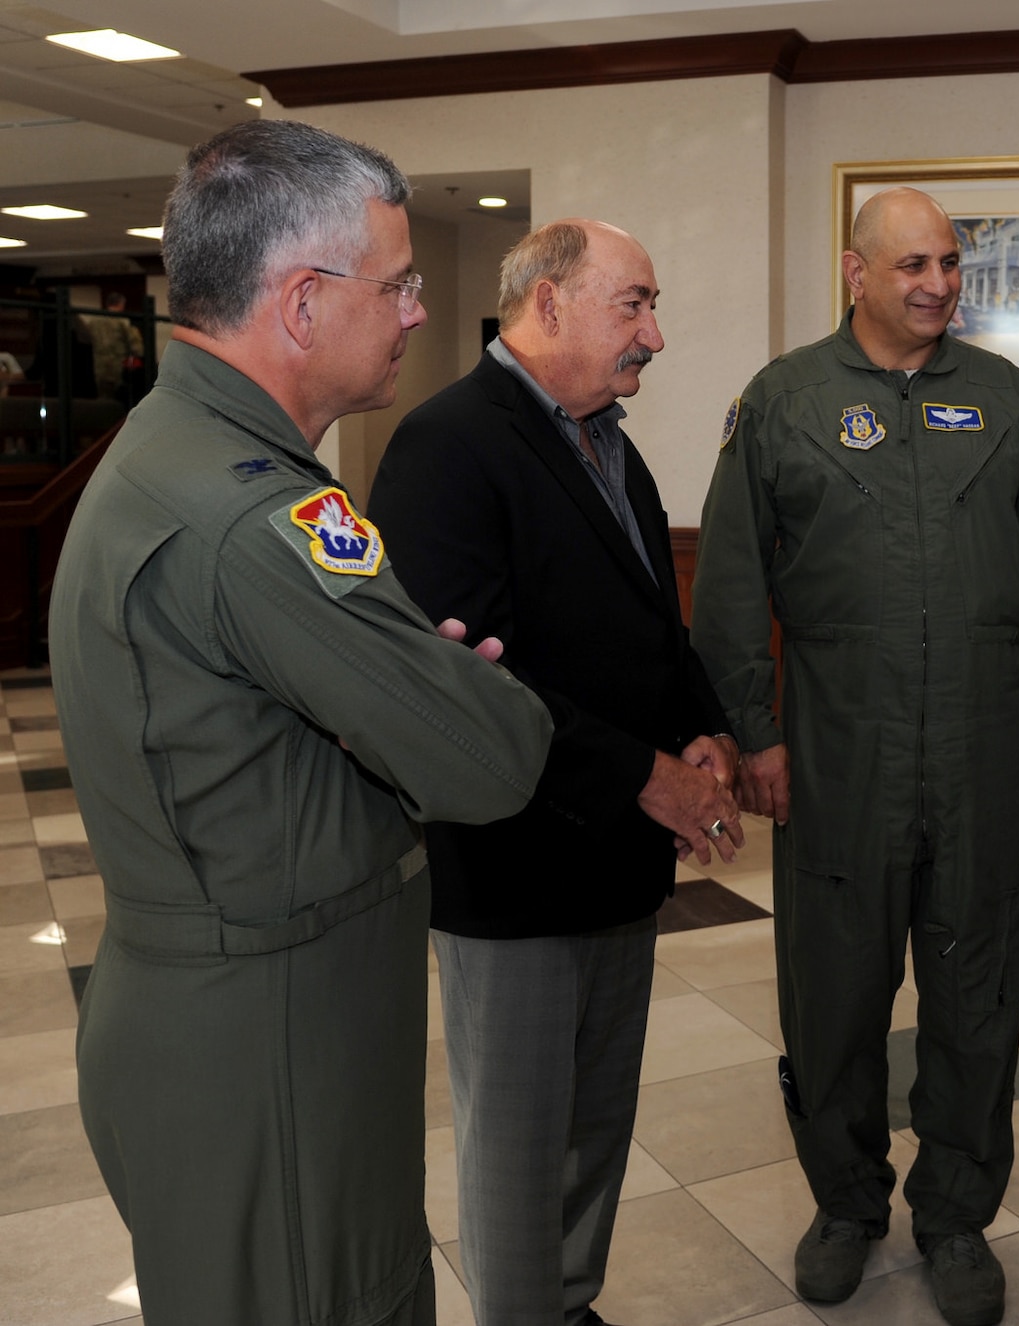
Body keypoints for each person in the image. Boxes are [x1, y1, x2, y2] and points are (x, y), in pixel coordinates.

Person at [47, 120, 556, 1326]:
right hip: (266, 1054)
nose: (421, 314)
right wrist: (411, 698)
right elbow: (496, 756)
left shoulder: (179, 458)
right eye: (399, 286)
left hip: (236, 1025)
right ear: (303, 302)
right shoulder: (250, 519)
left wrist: (380, 696)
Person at [691, 187, 1019, 1326]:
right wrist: (756, 735)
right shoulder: (784, 402)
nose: (935, 284)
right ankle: (844, 1204)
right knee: (832, 993)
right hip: (837, 749)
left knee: (977, 990)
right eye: (910, 264)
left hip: (981, 748)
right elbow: (730, 591)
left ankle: (956, 1214)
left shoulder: (1002, 397)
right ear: (854, 271)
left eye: (948, 263)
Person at [368, 218, 744, 1326]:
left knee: (593, 1124)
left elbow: (641, 624)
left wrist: (705, 729)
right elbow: (468, 680)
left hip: (613, 860)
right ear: (547, 304)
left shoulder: (604, 437)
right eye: (632, 303)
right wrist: (645, 774)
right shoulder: (447, 443)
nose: (655, 334)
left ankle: (567, 1304)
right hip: (515, 864)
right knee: (518, 1144)